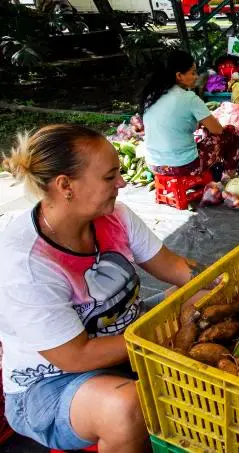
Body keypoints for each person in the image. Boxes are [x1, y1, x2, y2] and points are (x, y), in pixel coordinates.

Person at [0, 125, 210, 452]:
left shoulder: (115, 216)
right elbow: (75, 356)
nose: (122, 183)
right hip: (50, 384)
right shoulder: (26, 263)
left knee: (201, 298)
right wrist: (164, 334)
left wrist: (226, 281)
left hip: (127, 336)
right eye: (110, 177)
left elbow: (174, 268)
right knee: (126, 407)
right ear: (65, 186)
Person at [139, 50, 239, 177]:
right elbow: (217, 130)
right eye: (193, 73)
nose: (196, 77)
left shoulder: (152, 96)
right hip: (184, 166)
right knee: (230, 132)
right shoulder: (189, 98)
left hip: (154, 165)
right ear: (179, 76)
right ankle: (230, 176)